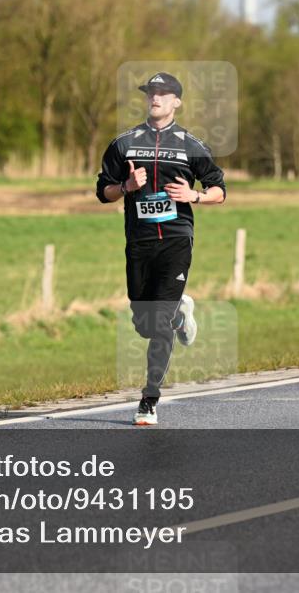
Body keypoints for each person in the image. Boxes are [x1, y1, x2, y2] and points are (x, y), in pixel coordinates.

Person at [95, 72, 226, 425]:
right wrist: (126, 185)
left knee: (160, 321)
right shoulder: (124, 143)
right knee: (143, 322)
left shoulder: (191, 145)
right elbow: (102, 190)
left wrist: (194, 196)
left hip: (176, 240)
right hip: (139, 242)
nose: (155, 97)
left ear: (176, 102)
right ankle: (182, 308)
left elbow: (219, 189)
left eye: (163, 93)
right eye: (151, 92)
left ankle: (149, 400)